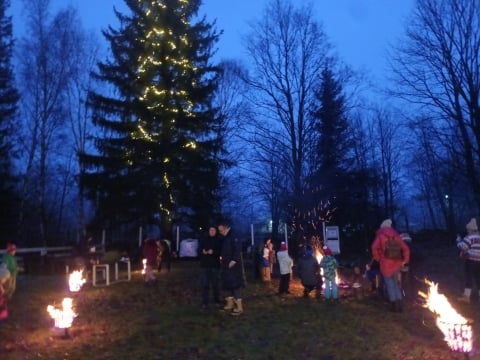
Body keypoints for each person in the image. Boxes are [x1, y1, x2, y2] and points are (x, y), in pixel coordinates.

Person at [371, 219, 410, 312]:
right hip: (397, 263)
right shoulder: (397, 235)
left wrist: (378, 258)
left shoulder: (380, 235)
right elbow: (406, 249)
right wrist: (404, 261)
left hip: (385, 264)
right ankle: (400, 305)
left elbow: (373, 247)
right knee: (396, 284)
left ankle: (394, 305)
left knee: (390, 285)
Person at [218, 219, 244, 315]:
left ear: (225, 227)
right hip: (225, 265)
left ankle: (239, 307)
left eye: (221, 230)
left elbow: (237, 249)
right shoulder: (225, 237)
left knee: (235, 285)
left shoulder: (234, 235)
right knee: (227, 284)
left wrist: (233, 260)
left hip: (234, 266)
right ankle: (230, 304)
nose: (220, 232)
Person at [456, 217, 480, 302]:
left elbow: (463, 246)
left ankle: (466, 297)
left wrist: (458, 241)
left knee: (468, 277)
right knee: (478, 278)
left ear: (470, 229)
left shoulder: (469, 237)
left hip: (470, 261)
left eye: (468, 230)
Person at [199, 226, 222, 308]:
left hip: (215, 265)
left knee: (216, 284)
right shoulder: (204, 239)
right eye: (210, 230)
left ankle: (217, 300)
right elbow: (199, 249)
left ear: (216, 231)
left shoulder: (219, 240)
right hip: (205, 265)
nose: (212, 231)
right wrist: (202, 251)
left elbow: (221, 251)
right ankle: (205, 302)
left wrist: (214, 252)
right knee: (205, 284)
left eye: (213, 230)